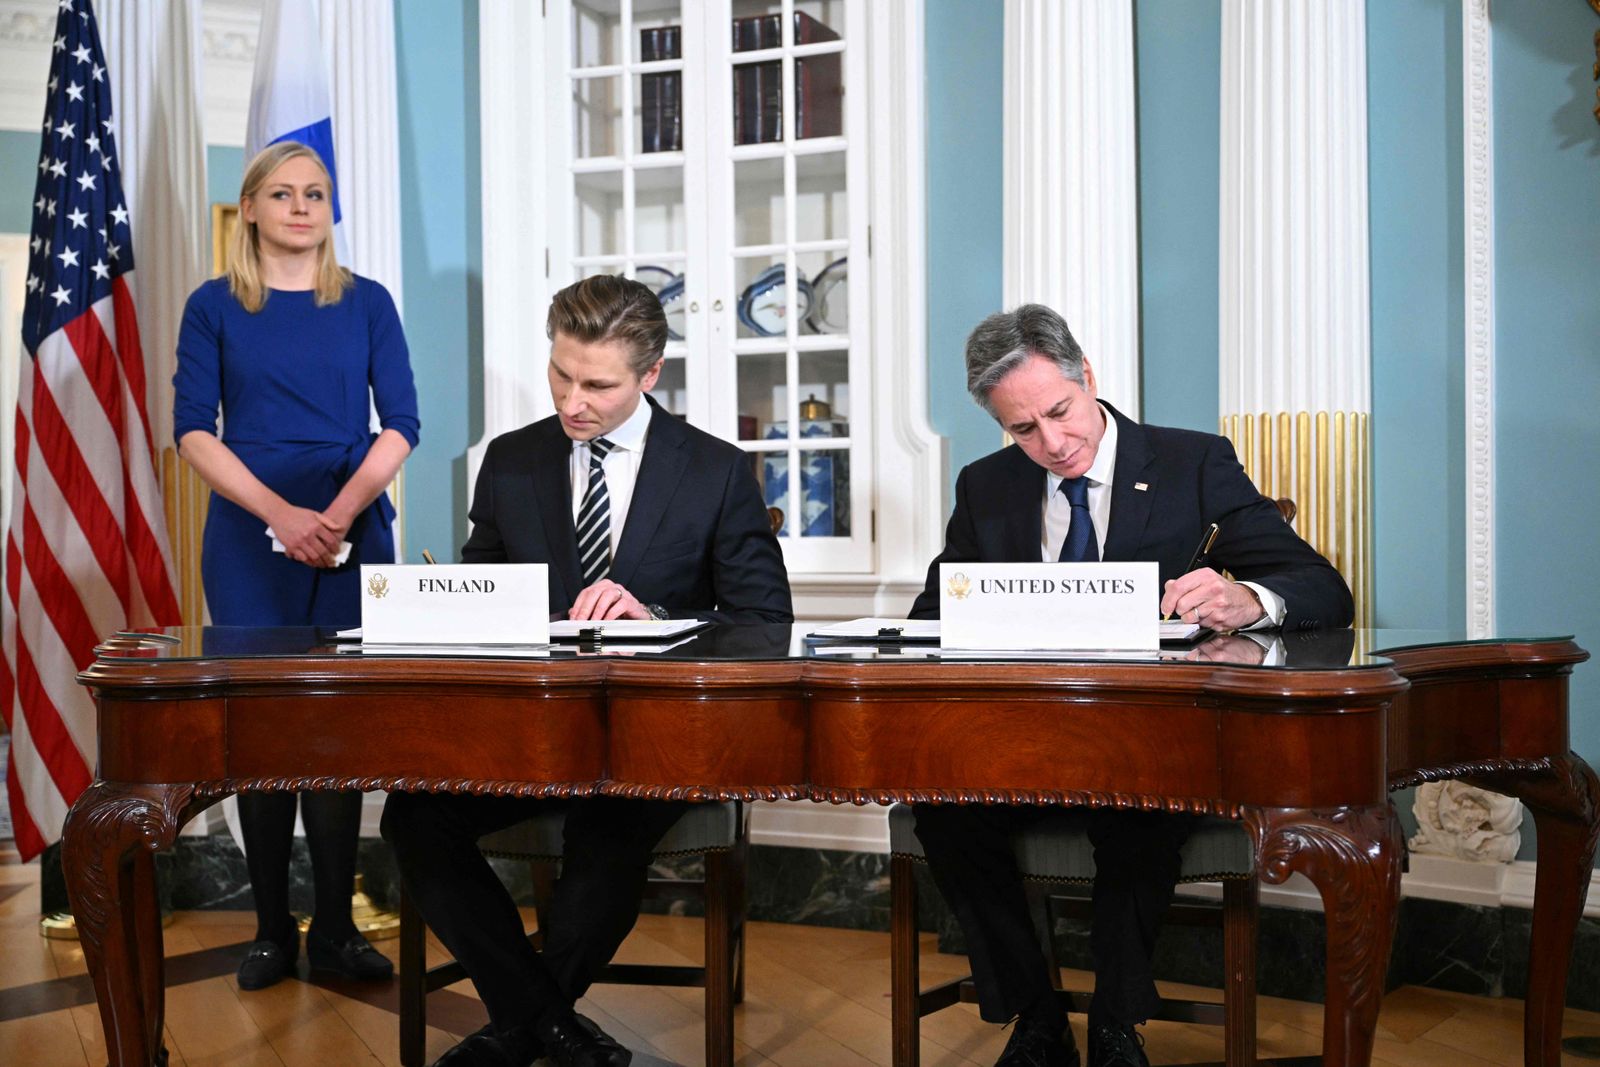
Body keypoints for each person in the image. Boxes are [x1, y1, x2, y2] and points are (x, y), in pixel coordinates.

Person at [908, 304, 1352, 1067]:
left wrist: (1248, 600)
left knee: (1142, 805)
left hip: (1154, 743)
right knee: (940, 805)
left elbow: (1322, 588)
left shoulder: (1192, 463)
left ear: (1088, 377)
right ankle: (1037, 1015)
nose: (1053, 444)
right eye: (1023, 430)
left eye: (1060, 411)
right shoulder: (987, 486)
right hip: (1021, 745)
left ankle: (1117, 1022)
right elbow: (932, 615)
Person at [381, 275, 792, 1067]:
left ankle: (516, 1030)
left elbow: (764, 627)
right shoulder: (510, 461)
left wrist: (658, 619)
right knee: (412, 815)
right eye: (560, 374)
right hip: (527, 733)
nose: (573, 401)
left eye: (597, 384)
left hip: (655, 741)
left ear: (650, 373)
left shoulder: (715, 472)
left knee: (606, 833)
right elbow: (483, 600)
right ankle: (547, 1024)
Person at [174, 141, 419, 990]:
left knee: (337, 731)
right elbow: (193, 431)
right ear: (250, 208)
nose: (302, 207)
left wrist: (342, 512)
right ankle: (273, 927)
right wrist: (280, 514)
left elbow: (402, 423)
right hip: (249, 538)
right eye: (282, 193)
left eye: (316, 193)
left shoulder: (368, 302)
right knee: (266, 734)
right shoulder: (212, 306)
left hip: (352, 528)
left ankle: (339, 928)